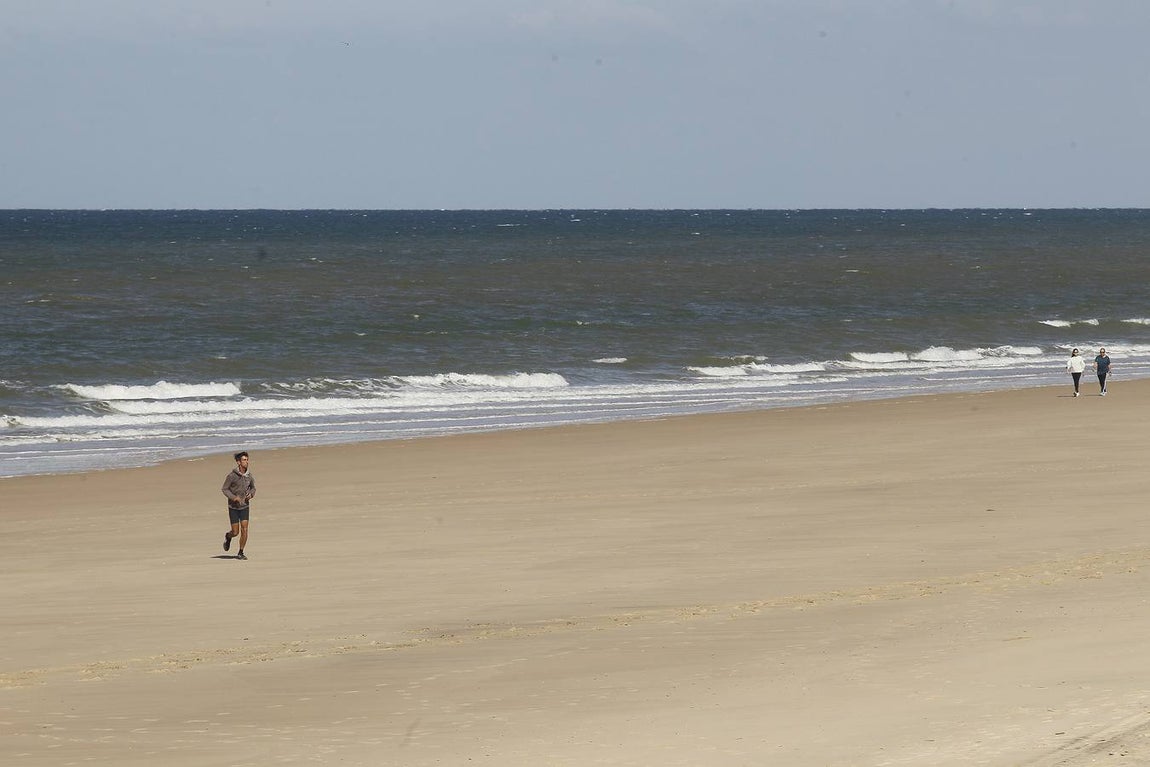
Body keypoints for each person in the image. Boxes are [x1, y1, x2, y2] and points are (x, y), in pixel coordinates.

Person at [221, 451, 256, 560]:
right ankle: (228, 536)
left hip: (245, 506)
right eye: (244, 460)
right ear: (238, 462)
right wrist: (233, 497)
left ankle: (241, 552)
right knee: (235, 532)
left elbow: (253, 488)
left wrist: (251, 494)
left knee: (244, 529)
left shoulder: (249, 476)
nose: (247, 462)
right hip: (233, 507)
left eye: (247, 459)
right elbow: (224, 489)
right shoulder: (232, 476)